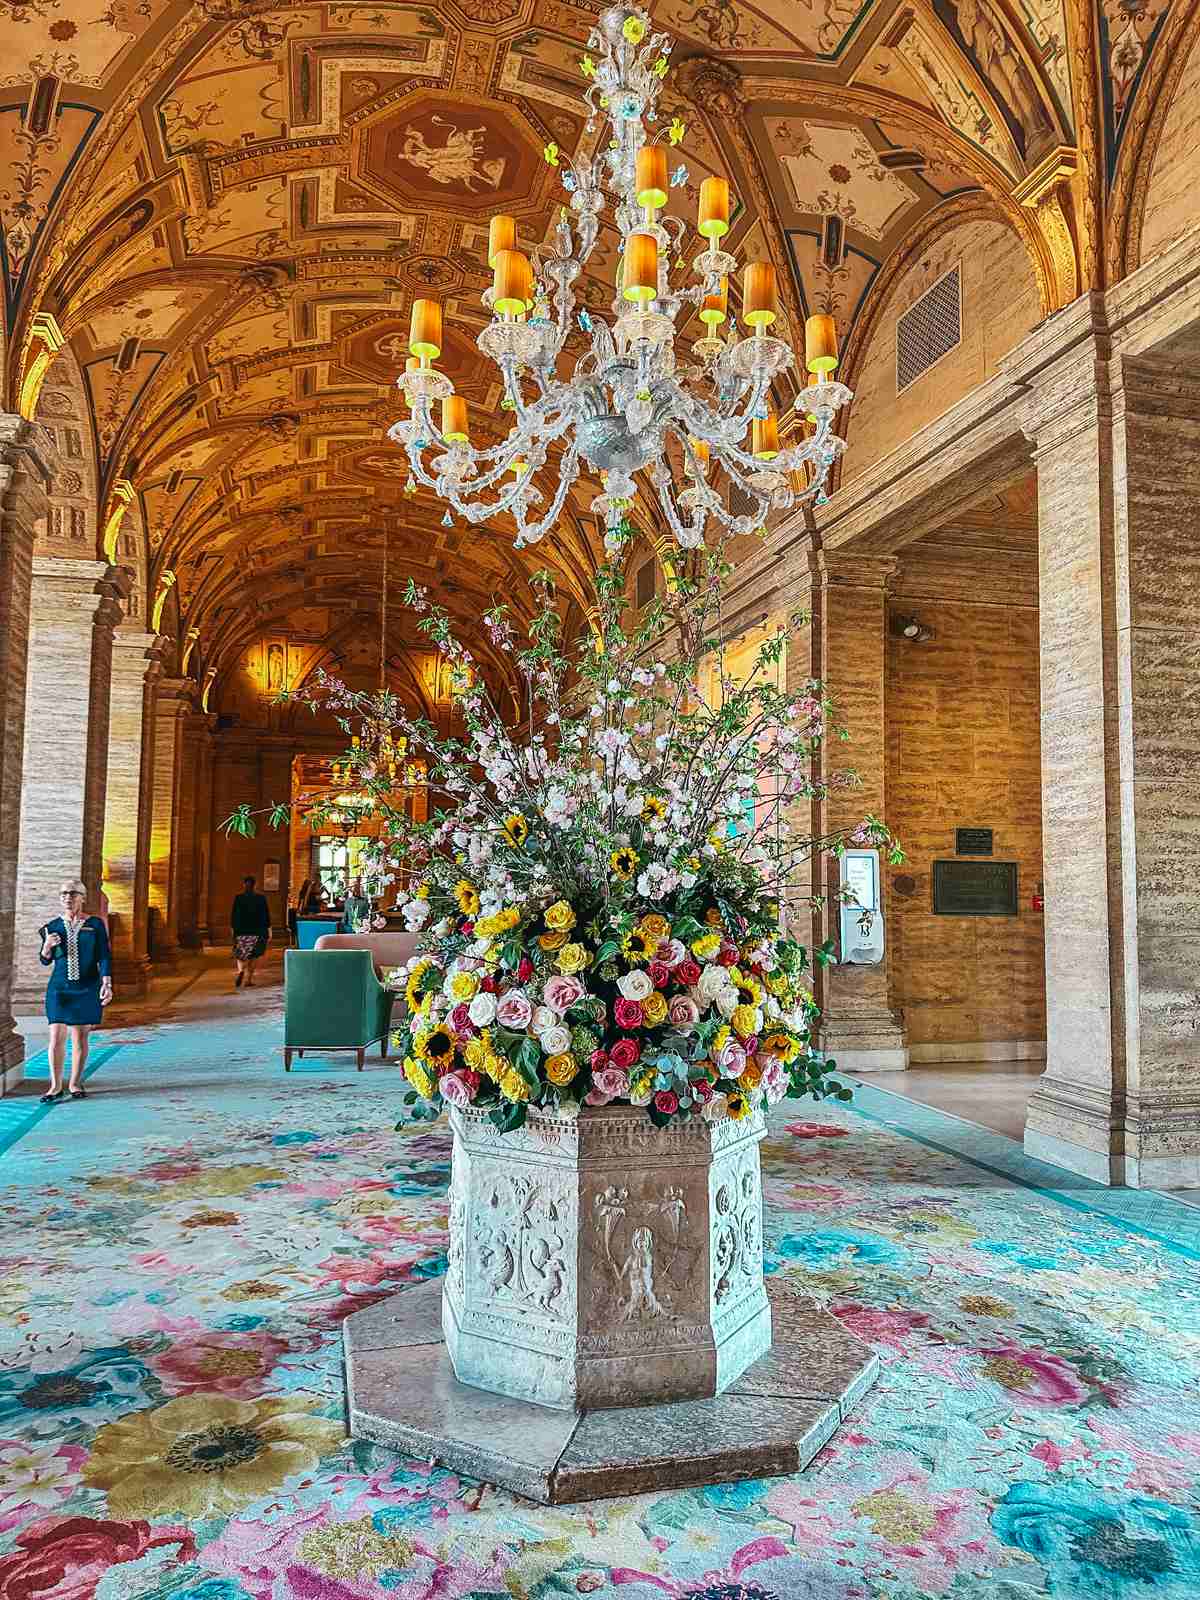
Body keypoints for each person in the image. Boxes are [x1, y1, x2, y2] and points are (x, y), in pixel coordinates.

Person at [38, 880, 112, 1104]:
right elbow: (44, 960)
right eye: (63, 894)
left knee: (80, 1037)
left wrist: (106, 983)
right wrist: (47, 946)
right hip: (59, 988)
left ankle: (75, 1083)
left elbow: (104, 955)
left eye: (73, 893)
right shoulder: (51, 927)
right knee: (55, 1037)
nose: (67, 897)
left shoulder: (95, 924)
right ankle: (55, 1086)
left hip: (87, 986)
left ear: (83, 897)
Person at [231, 875, 271, 989]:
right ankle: (248, 980)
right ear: (255, 885)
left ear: (244, 885)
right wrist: (268, 929)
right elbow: (266, 916)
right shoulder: (261, 898)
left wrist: (233, 930)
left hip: (241, 931)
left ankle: (240, 971)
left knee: (240, 955)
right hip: (257, 931)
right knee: (254, 955)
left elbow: (234, 916)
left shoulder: (238, 898)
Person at [288, 878, 311, 944]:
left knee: (296, 928)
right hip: (303, 911)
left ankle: (295, 942)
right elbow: (303, 902)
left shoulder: (303, 891)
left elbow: (301, 902)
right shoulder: (306, 892)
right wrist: (300, 910)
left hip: (301, 910)